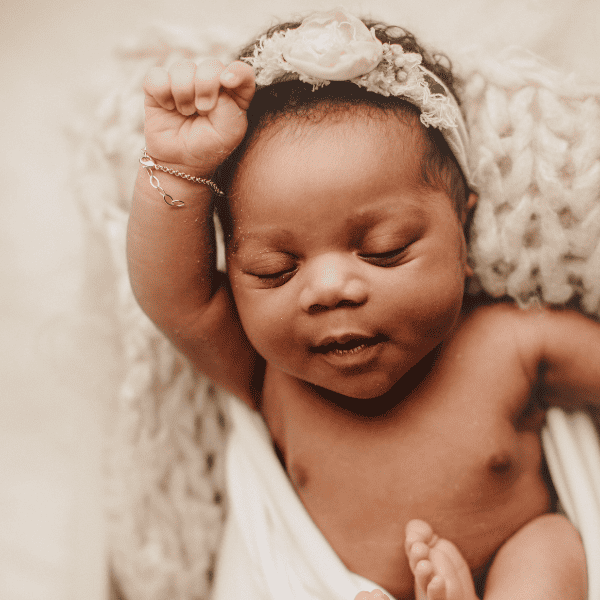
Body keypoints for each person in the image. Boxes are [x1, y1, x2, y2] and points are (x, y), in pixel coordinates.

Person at [126, 8, 595, 600]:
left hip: (507, 575)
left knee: (547, 549)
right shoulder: (270, 376)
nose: (327, 289)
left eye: (384, 249)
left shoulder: (510, 345)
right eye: (275, 270)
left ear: (463, 233)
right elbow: (177, 301)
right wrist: (177, 169)